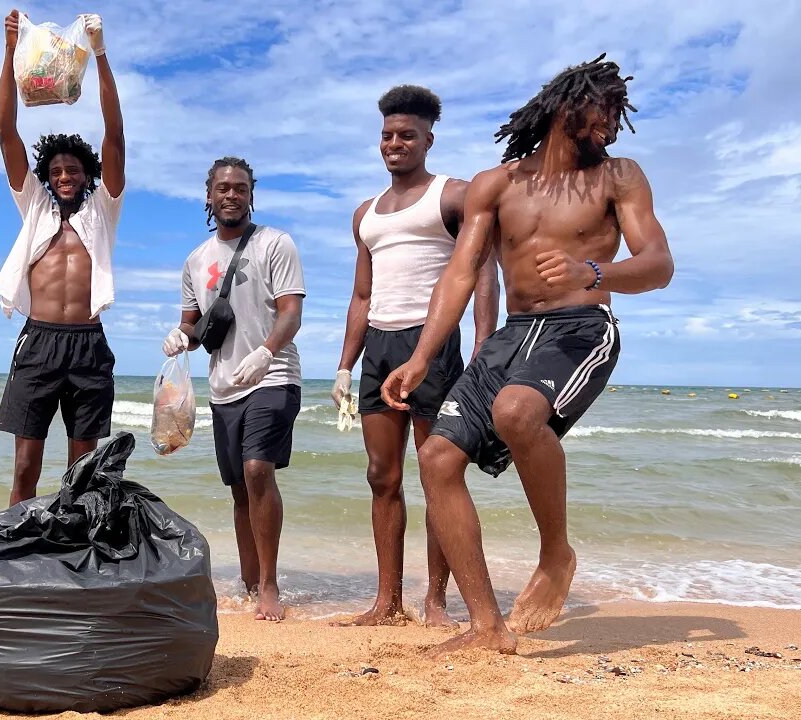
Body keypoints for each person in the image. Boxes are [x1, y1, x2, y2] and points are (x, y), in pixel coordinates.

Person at [381, 55, 674, 654]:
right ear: (569, 106)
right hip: (514, 334)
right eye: (606, 110)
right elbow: (460, 275)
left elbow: (659, 266)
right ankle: (486, 628)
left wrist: (592, 270)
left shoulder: (619, 176)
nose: (614, 125)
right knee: (436, 457)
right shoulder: (497, 184)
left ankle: (556, 553)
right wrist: (422, 356)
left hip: (581, 327)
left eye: (619, 114)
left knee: (517, 412)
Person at [331, 85, 499, 627]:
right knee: (382, 475)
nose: (395, 143)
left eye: (407, 135)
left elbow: (481, 273)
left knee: (437, 475)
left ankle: (434, 600)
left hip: (434, 345)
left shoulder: (453, 195)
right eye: (387, 135)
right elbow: (361, 296)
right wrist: (344, 364)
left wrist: (482, 347)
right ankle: (387, 600)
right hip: (380, 346)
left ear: (429, 138)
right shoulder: (366, 214)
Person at [162, 157, 306, 622]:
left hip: (273, 375)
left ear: (251, 194)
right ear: (209, 196)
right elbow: (191, 322)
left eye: (240, 188)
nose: (231, 195)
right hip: (223, 388)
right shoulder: (195, 260)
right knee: (240, 489)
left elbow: (290, 312)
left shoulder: (275, 243)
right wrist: (179, 336)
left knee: (258, 469)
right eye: (222, 188)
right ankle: (248, 584)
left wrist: (266, 351)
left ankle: (269, 587)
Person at [0, 10, 125, 506]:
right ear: (47, 178)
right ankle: (14, 549)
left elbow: (115, 135)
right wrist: (9, 54)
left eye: (73, 169)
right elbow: (6, 130)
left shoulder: (102, 210)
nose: (65, 175)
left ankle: (75, 550)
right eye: (56, 170)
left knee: (83, 467)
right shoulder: (36, 206)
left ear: (87, 174)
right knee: (25, 465)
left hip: (89, 343)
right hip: (39, 342)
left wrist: (101, 55)